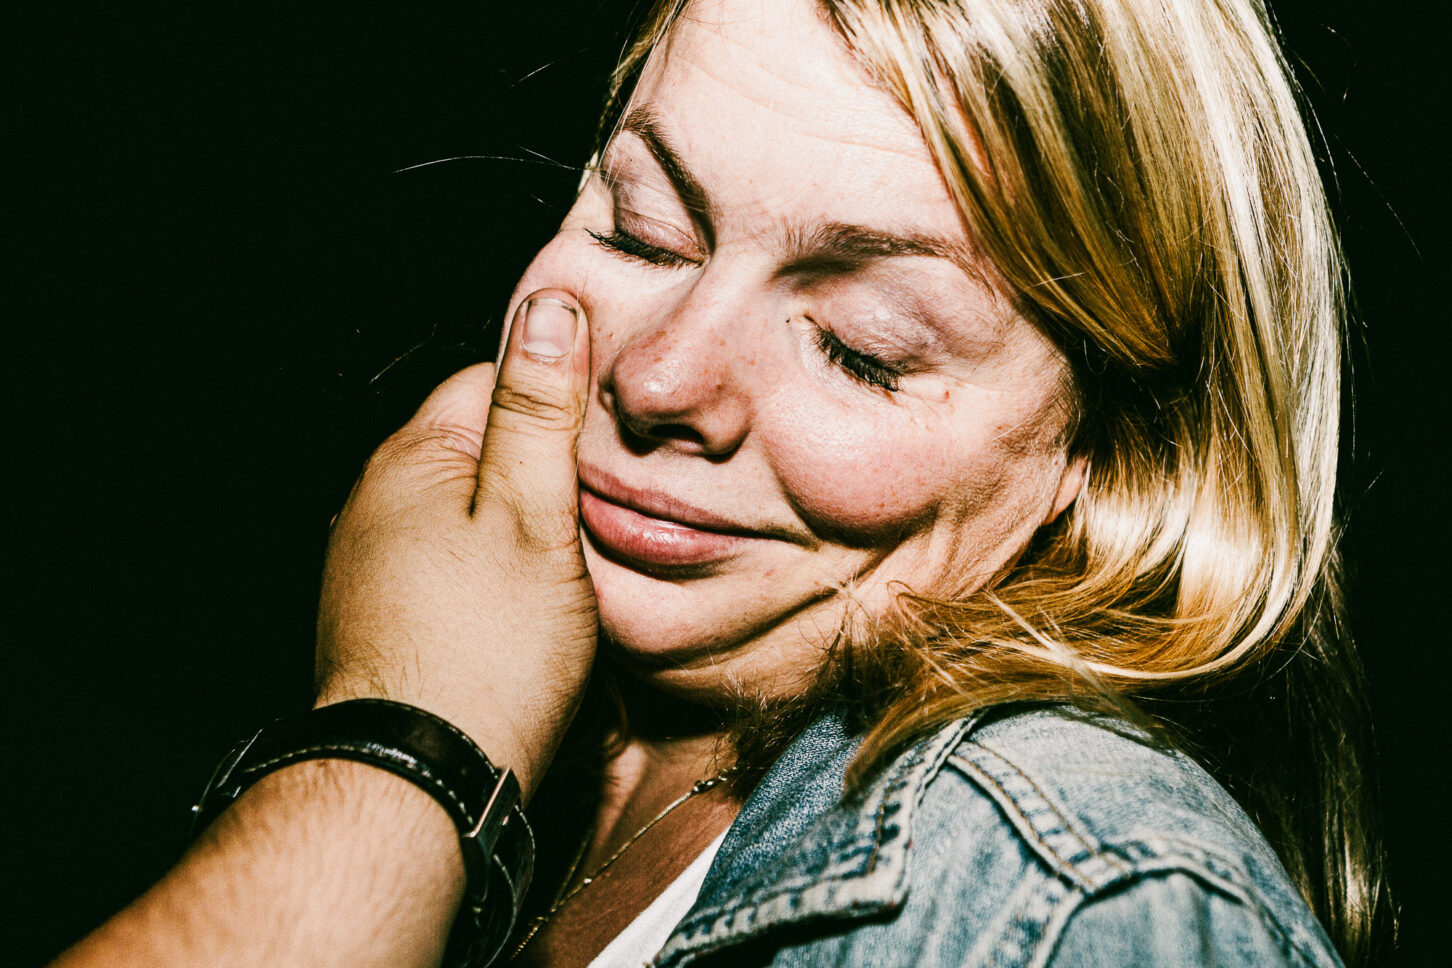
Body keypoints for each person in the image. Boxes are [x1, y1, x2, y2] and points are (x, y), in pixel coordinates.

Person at [51, 0, 1392, 966]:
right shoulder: (584, 767)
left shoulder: (1068, 899)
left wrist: (404, 740)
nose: (660, 377)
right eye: (641, 226)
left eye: (864, 350)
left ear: (1117, 456)